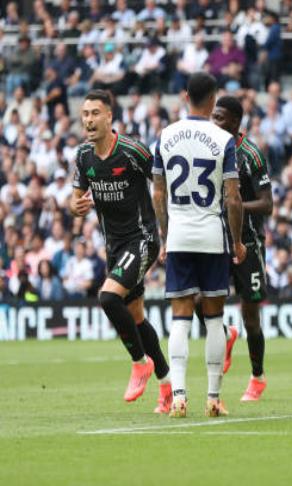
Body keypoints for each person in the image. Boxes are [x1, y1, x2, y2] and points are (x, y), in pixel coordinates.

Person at [69, 89, 171, 413]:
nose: (89, 120)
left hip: (142, 239)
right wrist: (77, 206)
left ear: (109, 116)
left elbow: (161, 184)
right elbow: (75, 198)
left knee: (108, 298)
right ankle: (167, 386)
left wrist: (168, 232)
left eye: (95, 113)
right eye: (85, 114)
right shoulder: (83, 156)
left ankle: (140, 363)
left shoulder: (132, 152)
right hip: (113, 246)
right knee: (137, 317)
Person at [152, 72, 245, 418]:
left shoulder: (165, 135)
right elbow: (233, 198)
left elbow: (158, 192)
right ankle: (213, 397)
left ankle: (177, 396)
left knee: (180, 319)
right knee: (215, 318)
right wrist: (236, 242)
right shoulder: (223, 139)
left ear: (185, 95)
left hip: (178, 233)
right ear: (213, 98)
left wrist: (164, 236)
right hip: (210, 233)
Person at [210, 95, 273, 402]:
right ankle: (224, 335)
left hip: (248, 243)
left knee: (250, 314)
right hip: (213, 241)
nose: (214, 122)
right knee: (200, 301)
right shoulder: (209, 149)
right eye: (212, 116)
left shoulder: (250, 154)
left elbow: (268, 203)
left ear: (235, 122)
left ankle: (257, 377)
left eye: (219, 118)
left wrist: (235, 206)